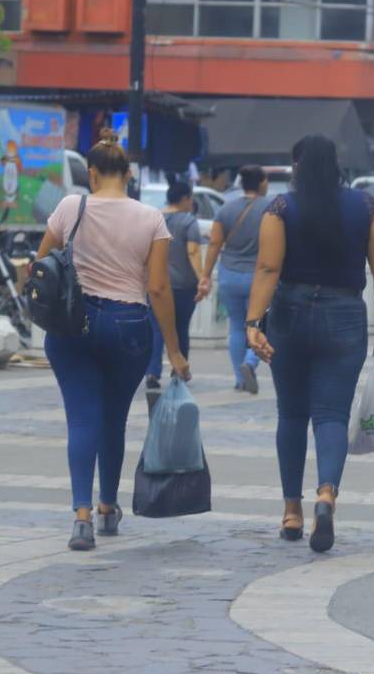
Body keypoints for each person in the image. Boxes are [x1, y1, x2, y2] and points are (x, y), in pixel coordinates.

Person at [37, 130, 191, 551]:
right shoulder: (151, 218)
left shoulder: (71, 206)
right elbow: (158, 289)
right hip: (128, 325)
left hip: (74, 326)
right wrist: (174, 351)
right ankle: (108, 506)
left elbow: (41, 262)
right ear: (129, 174)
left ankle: (81, 516)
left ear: (91, 173)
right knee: (114, 419)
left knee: (82, 418)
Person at [245, 135, 374, 554]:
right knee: (331, 415)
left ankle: (291, 511)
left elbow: (268, 266)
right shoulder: (368, 209)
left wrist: (253, 322)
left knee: (291, 414)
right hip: (345, 315)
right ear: (336, 164)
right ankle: (327, 493)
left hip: (290, 313)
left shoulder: (280, 209)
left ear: (297, 166)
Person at [199, 165, 269, 394]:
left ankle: (240, 379)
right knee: (260, 323)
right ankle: (250, 361)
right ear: (260, 183)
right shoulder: (270, 208)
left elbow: (215, 244)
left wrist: (206, 276)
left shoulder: (226, 209)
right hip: (259, 276)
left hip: (229, 274)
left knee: (237, 328)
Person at [146, 182, 203, 390]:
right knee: (180, 329)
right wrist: (203, 278)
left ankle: (152, 372)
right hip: (183, 287)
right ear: (186, 198)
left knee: (156, 329)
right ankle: (179, 371)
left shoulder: (153, 219)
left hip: (154, 284)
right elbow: (194, 252)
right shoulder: (189, 222)